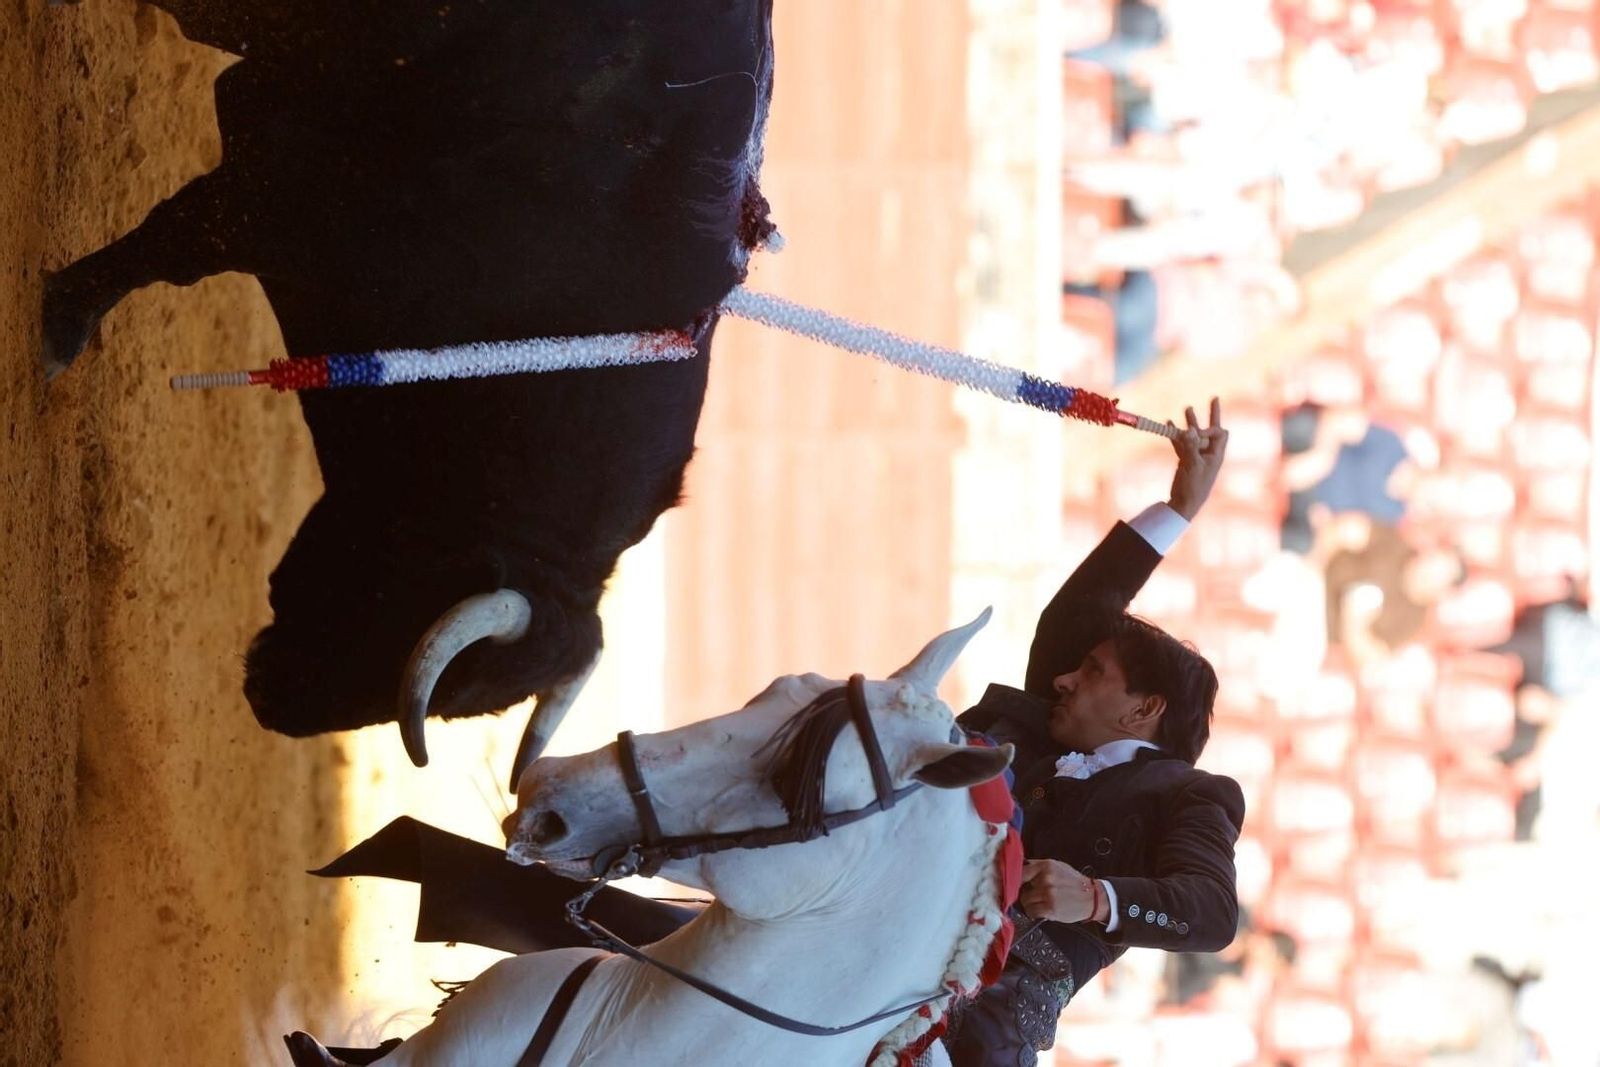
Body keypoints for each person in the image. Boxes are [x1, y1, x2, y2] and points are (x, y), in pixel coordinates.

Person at [941, 397, 1244, 1066]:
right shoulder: (1056, 724)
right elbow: (1080, 610)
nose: (1063, 679)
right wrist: (1179, 508)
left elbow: (1213, 911)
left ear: (1142, 711)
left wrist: (1097, 897)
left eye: (1093, 670)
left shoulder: (1193, 796)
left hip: (989, 1006)